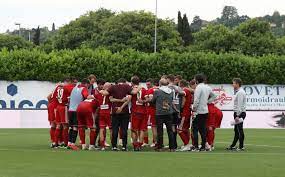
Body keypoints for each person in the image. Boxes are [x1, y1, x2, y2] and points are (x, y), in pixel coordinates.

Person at [100, 78, 139, 151]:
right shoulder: (127, 86)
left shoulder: (113, 87)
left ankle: (114, 146)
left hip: (115, 111)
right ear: (124, 82)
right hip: (125, 111)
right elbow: (133, 93)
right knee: (124, 129)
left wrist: (101, 90)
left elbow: (105, 94)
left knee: (115, 129)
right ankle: (124, 146)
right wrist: (139, 87)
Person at [192, 74, 216, 151]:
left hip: (198, 111)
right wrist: (207, 102)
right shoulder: (207, 87)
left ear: (197, 80)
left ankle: (195, 146)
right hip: (205, 110)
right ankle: (203, 146)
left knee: (194, 129)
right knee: (202, 129)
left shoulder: (198, 87)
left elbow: (196, 99)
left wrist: (194, 109)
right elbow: (214, 96)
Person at [150, 78, 175, 152]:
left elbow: (153, 101)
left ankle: (160, 147)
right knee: (170, 130)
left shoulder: (157, 91)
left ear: (160, 84)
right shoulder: (171, 91)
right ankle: (172, 147)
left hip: (160, 113)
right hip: (169, 112)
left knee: (160, 131)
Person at [67, 78, 89, 150]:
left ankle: (69, 143)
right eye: (88, 86)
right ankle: (73, 144)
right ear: (86, 84)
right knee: (75, 127)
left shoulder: (74, 88)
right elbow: (87, 96)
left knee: (71, 127)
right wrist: (92, 97)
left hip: (70, 110)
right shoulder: (84, 89)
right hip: (77, 110)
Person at [227, 78, 246, 151]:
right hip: (238, 113)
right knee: (236, 130)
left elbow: (240, 105)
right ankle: (233, 145)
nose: (233, 84)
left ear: (237, 84)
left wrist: (238, 115)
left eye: (234, 83)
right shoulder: (238, 91)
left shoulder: (240, 92)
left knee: (239, 129)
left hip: (240, 113)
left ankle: (241, 146)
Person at [54, 78, 74, 148]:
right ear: (67, 82)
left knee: (58, 125)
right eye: (70, 83)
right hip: (63, 107)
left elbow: (54, 97)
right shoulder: (66, 88)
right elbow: (70, 96)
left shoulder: (57, 88)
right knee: (65, 126)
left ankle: (56, 143)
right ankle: (65, 143)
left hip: (58, 107)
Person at [167, 74, 184, 149]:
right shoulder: (179, 88)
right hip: (177, 110)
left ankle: (173, 145)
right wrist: (180, 107)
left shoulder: (167, 88)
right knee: (175, 126)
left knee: (171, 128)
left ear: (168, 79)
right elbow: (183, 96)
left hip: (170, 110)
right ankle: (174, 144)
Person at [94, 80, 113, 150]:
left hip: (101, 112)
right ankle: (113, 145)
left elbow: (94, 97)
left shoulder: (99, 93)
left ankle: (102, 146)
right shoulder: (110, 93)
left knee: (102, 129)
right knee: (111, 129)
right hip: (108, 113)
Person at [130, 76, 148, 151]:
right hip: (143, 111)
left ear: (132, 82)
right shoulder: (143, 89)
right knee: (142, 129)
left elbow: (129, 97)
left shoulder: (132, 89)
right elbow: (147, 99)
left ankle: (135, 145)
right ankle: (140, 145)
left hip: (135, 111)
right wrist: (143, 101)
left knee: (134, 129)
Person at [178, 80, 193, 151]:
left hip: (184, 113)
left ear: (181, 84)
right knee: (186, 129)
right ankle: (187, 144)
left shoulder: (185, 90)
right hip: (188, 112)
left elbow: (183, 102)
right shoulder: (189, 91)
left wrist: (180, 108)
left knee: (180, 130)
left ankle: (187, 144)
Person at [145, 78, 159, 147]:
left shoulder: (151, 90)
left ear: (153, 83)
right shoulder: (160, 89)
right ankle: (158, 142)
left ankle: (155, 142)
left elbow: (150, 100)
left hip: (152, 111)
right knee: (159, 127)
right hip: (160, 111)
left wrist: (145, 100)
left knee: (154, 127)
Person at [47, 83, 61, 148]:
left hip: (50, 106)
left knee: (53, 124)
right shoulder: (61, 87)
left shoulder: (55, 88)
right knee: (58, 124)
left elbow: (48, 97)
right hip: (55, 107)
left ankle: (53, 142)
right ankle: (56, 143)